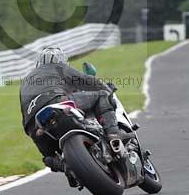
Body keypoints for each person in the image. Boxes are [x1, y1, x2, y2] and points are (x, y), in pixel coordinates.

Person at [20, 47, 120, 176]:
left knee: (49, 157)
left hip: (33, 124)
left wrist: (33, 131)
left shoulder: (25, 82)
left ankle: (67, 168)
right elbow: (88, 81)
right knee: (101, 96)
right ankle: (113, 135)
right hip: (56, 102)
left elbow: (23, 113)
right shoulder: (58, 67)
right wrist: (107, 89)